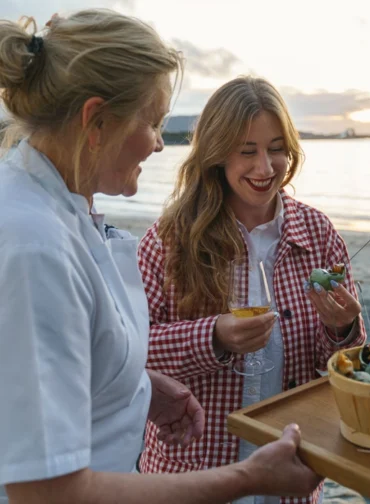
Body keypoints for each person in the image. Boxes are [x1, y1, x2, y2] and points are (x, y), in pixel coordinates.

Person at [0, 11, 321, 504]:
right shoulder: (34, 244)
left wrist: (140, 385)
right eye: (152, 122)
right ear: (95, 120)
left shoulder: (64, 211)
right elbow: (45, 493)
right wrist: (248, 479)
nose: (156, 143)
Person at [137, 76, 367, 504]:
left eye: (276, 148)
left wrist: (343, 329)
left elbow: (340, 367)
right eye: (247, 152)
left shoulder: (317, 233)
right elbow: (129, 353)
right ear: (216, 154)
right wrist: (213, 336)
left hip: (290, 483)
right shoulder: (167, 240)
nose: (265, 168)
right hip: (190, 478)